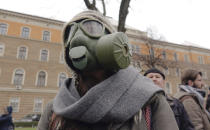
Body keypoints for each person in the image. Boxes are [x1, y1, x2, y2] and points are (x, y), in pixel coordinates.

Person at [38, 10, 178, 130]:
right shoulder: (56, 109)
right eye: (70, 33)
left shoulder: (149, 101)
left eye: (91, 28)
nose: (77, 38)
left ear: (113, 41)